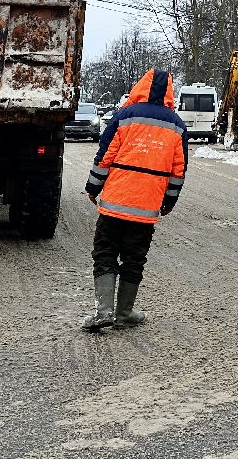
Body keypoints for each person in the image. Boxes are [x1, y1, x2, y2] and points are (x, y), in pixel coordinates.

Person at [80, 68, 187, 332]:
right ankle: (124, 312)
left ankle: (103, 312)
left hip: (114, 205)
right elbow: (178, 172)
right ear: (169, 93)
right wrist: (168, 202)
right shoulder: (177, 126)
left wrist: (93, 187)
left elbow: (104, 157)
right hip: (146, 210)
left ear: (140, 86)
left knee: (105, 253)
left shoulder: (124, 117)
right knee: (134, 259)